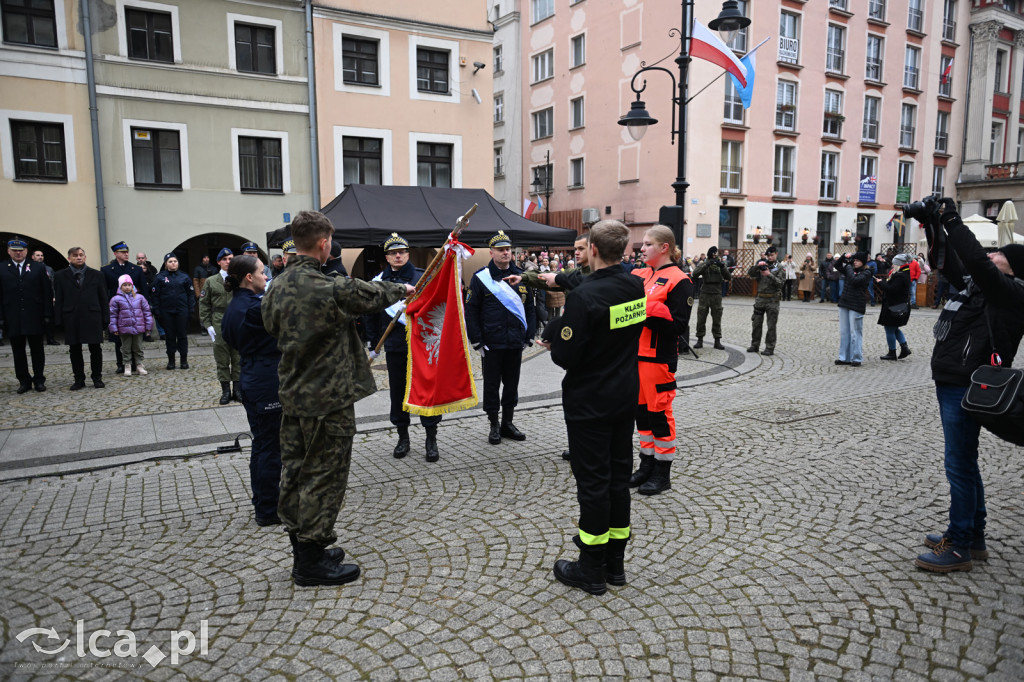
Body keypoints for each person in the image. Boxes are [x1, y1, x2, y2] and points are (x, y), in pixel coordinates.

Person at [262, 210, 413, 587]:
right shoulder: (328, 287)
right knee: (324, 476)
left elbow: (269, 326)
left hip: (294, 395)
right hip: (327, 401)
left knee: (296, 471)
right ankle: (311, 562)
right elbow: (372, 294)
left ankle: (304, 546)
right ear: (325, 243)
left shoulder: (276, 285)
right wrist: (403, 289)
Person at [916, 203, 1024, 572]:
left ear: (1012, 269)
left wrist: (951, 219)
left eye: (1000, 255)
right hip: (955, 379)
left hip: (968, 384)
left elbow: (975, 260)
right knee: (965, 462)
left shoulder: (1009, 293)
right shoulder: (980, 288)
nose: (992, 255)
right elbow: (950, 263)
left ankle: (959, 544)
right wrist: (932, 224)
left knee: (958, 465)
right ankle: (973, 535)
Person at [540, 221, 645, 595]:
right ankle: (615, 563)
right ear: (624, 250)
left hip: (590, 402)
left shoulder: (585, 298)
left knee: (593, 484)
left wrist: (556, 341)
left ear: (594, 250)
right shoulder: (634, 285)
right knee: (618, 479)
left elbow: (568, 355)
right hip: (623, 395)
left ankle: (591, 567)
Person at [627, 225, 693, 496]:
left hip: (658, 358)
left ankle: (662, 473)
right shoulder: (640, 274)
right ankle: (646, 464)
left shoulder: (680, 280)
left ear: (664, 247)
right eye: (642, 244)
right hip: (635, 356)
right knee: (641, 414)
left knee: (659, 415)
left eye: (647, 244)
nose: (641, 249)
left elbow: (679, 325)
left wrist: (647, 311)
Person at [365, 233, 442, 462]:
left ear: (408, 254)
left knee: (426, 389)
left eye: (401, 252)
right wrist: (372, 343)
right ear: (387, 258)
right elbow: (371, 315)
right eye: (392, 253)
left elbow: (435, 308)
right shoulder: (378, 282)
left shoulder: (422, 277)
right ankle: (403, 437)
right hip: (396, 345)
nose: (397, 256)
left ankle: (431, 438)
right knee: (398, 392)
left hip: (421, 343)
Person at [221, 255, 283, 527]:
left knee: (262, 444)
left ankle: (264, 502)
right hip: (265, 380)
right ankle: (268, 508)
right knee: (270, 447)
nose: (266, 276)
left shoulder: (235, 306)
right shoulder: (253, 309)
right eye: (261, 272)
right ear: (249, 277)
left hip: (253, 376)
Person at [465, 230, 536, 445]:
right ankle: (494, 424)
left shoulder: (521, 276)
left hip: (515, 342)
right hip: (492, 343)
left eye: (508, 249)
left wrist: (529, 336)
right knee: (492, 385)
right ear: (491, 252)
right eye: (501, 250)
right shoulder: (481, 278)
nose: (506, 253)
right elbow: (471, 311)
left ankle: (508, 422)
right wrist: (477, 340)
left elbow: (530, 309)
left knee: (512, 384)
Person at [0, 237, 53, 392]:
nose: (18, 253)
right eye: (15, 250)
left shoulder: (37, 267)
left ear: (26, 251)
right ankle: (24, 380)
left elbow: (46, 292)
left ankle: (39, 379)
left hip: (34, 315)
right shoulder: (2, 268)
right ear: (9, 251)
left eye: (21, 250)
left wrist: (47, 313)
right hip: (13, 316)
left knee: (37, 349)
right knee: (18, 351)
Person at [53, 247, 107, 390]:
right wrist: (58, 320)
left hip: (92, 315)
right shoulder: (60, 276)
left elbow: (103, 298)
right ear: (69, 258)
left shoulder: (97, 275)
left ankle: (97, 377)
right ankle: (79, 379)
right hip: (71, 316)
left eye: (81, 255)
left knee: (95, 348)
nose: (79, 257)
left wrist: (105, 318)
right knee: (74, 349)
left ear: (85, 257)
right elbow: (59, 299)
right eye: (75, 255)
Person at [199, 248, 241, 404]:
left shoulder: (240, 280)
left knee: (237, 357)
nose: (228, 262)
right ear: (218, 262)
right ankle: (225, 391)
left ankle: (237, 390)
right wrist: (207, 324)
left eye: (230, 259)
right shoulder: (211, 281)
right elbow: (204, 304)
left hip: (236, 321)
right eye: (224, 259)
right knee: (222, 358)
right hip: (219, 320)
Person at [101, 241, 147, 374]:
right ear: (116, 254)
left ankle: (136, 363)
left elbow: (143, 290)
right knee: (118, 339)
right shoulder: (107, 270)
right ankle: (121, 363)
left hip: (134, 309)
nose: (126, 254)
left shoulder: (136, 269)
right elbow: (104, 291)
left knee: (136, 340)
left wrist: (145, 308)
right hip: (117, 309)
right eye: (122, 252)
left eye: (127, 252)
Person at [151, 253, 194, 369]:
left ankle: (184, 360)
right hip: (166, 312)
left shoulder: (184, 277)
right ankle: (171, 361)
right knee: (170, 336)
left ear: (178, 263)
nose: (173, 263)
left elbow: (190, 294)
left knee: (182, 336)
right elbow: (155, 296)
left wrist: (191, 309)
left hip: (182, 310)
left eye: (175, 261)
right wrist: (157, 310)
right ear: (166, 264)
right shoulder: (160, 277)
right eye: (170, 261)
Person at [109, 274, 153, 376]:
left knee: (138, 347)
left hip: (138, 327)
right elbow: (113, 315)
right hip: (124, 328)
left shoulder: (140, 297)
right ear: (120, 287)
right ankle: (127, 365)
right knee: (125, 348)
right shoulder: (116, 299)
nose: (127, 287)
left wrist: (148, 327)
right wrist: (114, 328)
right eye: (125, 285)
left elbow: (147, 313)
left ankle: (139, 365)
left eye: (129, 285)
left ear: (132, 285)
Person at [834, 252, 872, 367]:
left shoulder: (867, 272)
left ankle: (856, 358)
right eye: (854, 260)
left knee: (855, 332)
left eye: (857, 260)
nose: (854, 262)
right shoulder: (850, 269)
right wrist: (844, 257)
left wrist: (849, 266)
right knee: (844, 332)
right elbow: (837, 265)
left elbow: (855, 280)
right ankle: (844, 357)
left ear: (863, 262)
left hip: (856, 304)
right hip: (845, 302)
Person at [746, 246, 785, 355]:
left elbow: (780, 283)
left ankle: (769, 347)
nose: (770, 257)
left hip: (773, 299)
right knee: (756, 324)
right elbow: (751, 274)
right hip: (760, 299)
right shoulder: (763, 265)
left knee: (771, 325)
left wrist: (769, 275)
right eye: (768, 256)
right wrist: (757, 266)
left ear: (776, 254)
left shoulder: (780, 268)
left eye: (772, 255)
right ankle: (755, 345)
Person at [690, 245, 729, 350]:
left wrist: (722, 266)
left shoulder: (721, 264)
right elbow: (694, 274)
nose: (714, 257)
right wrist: (706, 264)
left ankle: (717, 340)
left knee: (717, 317)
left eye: (716, 255)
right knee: (701, 316)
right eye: (713, 255)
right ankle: (700, 339)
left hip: (716, 293)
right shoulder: (705, 264)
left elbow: (728, 277)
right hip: (705, 293)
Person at [876, 253, 913, 361]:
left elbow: (892, 289)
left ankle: (892, 353)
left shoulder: (900, 275)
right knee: (894, 328)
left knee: (889, 329)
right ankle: (904, 347)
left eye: (893, 263)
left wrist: (881, 283)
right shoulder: (904, 273)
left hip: (894, 306)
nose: (892, 265)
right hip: (896, 305)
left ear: (898, 264)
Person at [32, 250, 59, 345]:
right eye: (38, 255)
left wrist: (54, 296)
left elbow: (53, 284)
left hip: (47, 298)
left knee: (49, 320)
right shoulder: (28, 268)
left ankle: (50, 339)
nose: (40, 257)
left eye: (42, 255)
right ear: (33, 257)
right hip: (34, 299)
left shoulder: (48, 269)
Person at [136, 252, 159, 341]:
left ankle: (152, 333)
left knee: (153, 315)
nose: (140, 259)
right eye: (139, 258)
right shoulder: (133, 269)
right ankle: (142, 334)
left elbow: (155, 282)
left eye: (142, 258)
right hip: (139, 296)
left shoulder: (152, 270)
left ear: (146, 258)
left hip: (151, 296)